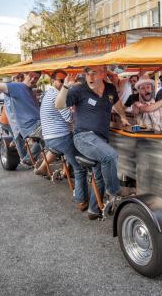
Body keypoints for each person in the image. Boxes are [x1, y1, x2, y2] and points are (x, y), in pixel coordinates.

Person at [55, 66, 131, 220]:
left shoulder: (109, 88)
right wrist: (65, 87)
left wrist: (123, 117)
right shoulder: (78, 90)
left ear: (103, 73)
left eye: (94, 73)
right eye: (87, 73)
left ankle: (93, 210)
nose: (90, 76)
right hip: (83, 137)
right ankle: (114, 192)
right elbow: (59, 105)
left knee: (100, 174)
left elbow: (116, 104)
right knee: (110, 156)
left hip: (100, 140)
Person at [39, 69, 89, 212]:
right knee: (80, 167)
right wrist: (76, 109)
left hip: (49, 138)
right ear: (53, 81)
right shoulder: (57, 95)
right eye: (61, 81)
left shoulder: (49, 92)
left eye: (64, 80)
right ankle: (81, 200)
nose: (63, 83)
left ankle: (66, 173)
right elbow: (68, 118)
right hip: (59, 137)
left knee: (75, 149)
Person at [3, 73, 28, 163]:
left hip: (22, 118)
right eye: (18, 78)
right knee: (19, 136)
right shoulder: (11, 89)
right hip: (11, 119)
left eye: (22, 77)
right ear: (14, 79)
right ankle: (24, 159)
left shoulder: (23, 88)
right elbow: (10, 111)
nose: (20, 79)